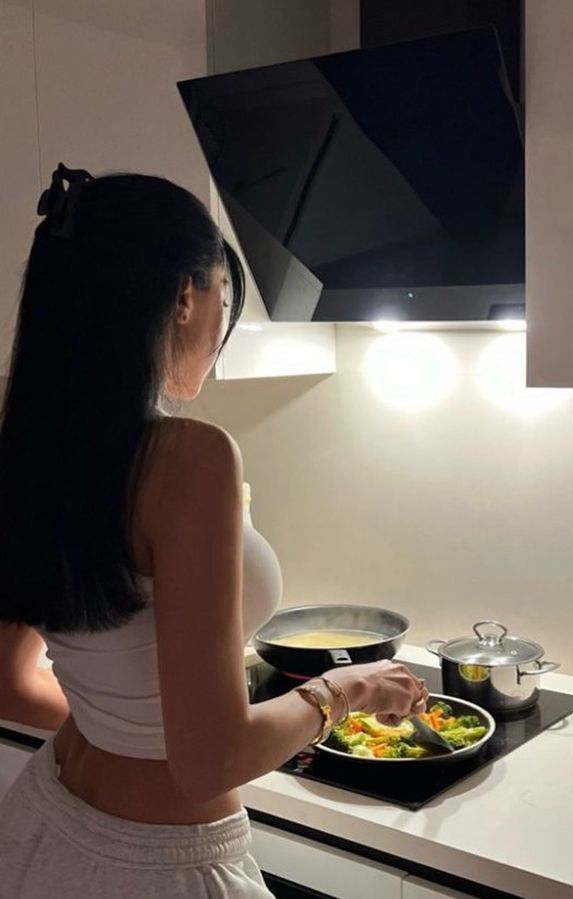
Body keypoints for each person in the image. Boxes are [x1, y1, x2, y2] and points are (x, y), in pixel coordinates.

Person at [0, 164, 428, 898]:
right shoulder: (190, 458)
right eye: (224, 300)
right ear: (186, 297)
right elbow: (210, 761)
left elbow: (9, 682)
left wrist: (126, 726)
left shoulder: (26, 437)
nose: (220, 331)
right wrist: (346, 686)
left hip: (43, 824)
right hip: (159, 867)